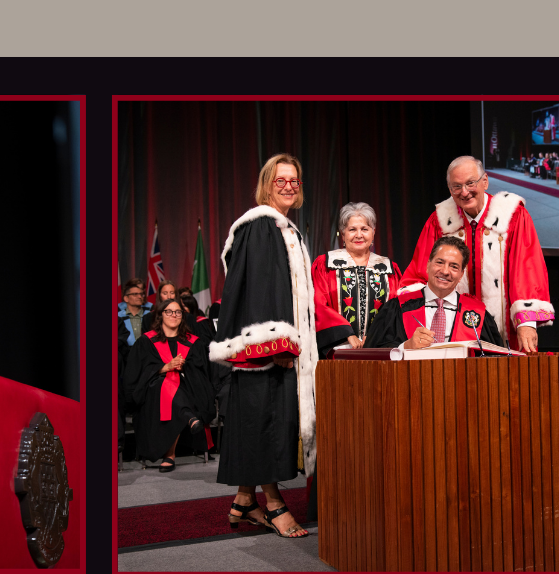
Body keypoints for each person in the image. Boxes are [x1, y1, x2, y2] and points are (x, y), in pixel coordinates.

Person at [209, 153, 318, 538]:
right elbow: (260, 290)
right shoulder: (261, 226)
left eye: (295, 180)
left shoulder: (283, 227)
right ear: (267, 184)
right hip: (268, 349)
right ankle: (274, 505)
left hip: (274, 348)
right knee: (267, 423)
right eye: (280, 180)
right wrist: (279, 346)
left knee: (259, 421)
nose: (288, 186)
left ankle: (244, 501)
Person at [396, 156, 553, 353]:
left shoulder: (513, 216)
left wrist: (526, 323)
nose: (464, 192)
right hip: (455, 332)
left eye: (471, 183)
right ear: (450, 190)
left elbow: (527, 268)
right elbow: (420, 272)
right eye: (456, 187)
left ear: (485, 181)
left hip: (506, 329)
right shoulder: (440, 221)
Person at [124, 298, 216, 473]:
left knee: (174, 389)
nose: (174, 315)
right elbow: (136, 374)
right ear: (161, 315)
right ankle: (189, 418)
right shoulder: (146, 342)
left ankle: (170, 455)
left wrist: (184, 369)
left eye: (178, 312)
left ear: (183, 316)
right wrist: (164, 368)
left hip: (188, 388)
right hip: (152, 394)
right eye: (169, 311)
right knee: (162, 385)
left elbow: (202, 373)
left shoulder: (193, 342)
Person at [364, 237, 502, 351]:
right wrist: (405, 347)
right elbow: (371, 354)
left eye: (454, 266)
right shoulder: (397, 308)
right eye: (440, 262)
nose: (445, 271)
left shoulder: (477, 315)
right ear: (428, 265)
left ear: (461, 275)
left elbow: (496, 361)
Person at [310, 202, 403, 355]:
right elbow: (318, 304)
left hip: (379, 349)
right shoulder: (325, 265)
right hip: (336, 349)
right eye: (352, 229)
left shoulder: (389, 269)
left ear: (373, 232)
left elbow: (395, 310)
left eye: (364, 229)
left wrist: (374, 334)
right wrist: (346, 333)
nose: (359, 235)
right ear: (343, 233)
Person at [117, 278, 151, 351]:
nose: (139, 297)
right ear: (126, 298)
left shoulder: (150, 316)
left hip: (147, 352)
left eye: (141, 294)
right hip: (125, 354)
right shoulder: (118, 317)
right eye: (135, 294)